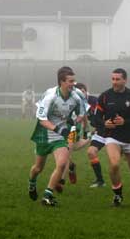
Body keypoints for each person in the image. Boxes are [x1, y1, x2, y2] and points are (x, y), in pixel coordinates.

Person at [28, 67, 85, 206]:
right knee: (38, 168)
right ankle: (32, 183)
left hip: (61, 136)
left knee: (62, 164)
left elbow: (82, 114)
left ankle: (47, 195)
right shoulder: (51, 96)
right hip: (44, 134)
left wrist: (75, 120)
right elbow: (41, 119)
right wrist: (58, 129)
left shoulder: (76, 96)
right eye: (70, 81)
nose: (74, 84)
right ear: (62, 82)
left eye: (74, 81)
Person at [94, 68, 130, 206]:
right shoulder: (105, 96)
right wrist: (104, 123)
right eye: (113, 79)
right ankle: (118, 195)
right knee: (115, 164)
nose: (115, 82)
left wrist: (125, 122)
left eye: (118, 79)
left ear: (125, 80)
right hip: (112, 137)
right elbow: (96, 117)